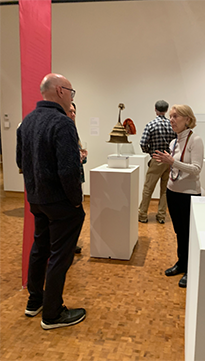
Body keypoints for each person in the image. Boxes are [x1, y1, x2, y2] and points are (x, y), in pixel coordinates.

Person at [17, 73, 87, 330]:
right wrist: (76, 201)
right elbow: (68, 170)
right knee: (60, 256)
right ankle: (52, 313)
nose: (71, 96)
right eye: (71, 91)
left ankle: (34, 300)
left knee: (40, 249)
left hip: (37, 199)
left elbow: (20, 162)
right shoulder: (62, 123)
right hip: (60, 202)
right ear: (60, 91)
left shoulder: (27, 122)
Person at [152, 104, 204, 289]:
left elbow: (196, 169)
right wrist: (168, 162)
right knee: (179, 232)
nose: (171, 120)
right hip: (172, 193)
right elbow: (176, 168)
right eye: (171, 116)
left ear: (187, 119)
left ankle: (190, 268)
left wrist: (172, 161)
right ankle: (181, 263)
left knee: (189, 234)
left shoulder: (195, 140)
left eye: (176, 116)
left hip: (189, 195)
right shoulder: (173, 142)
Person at [138, 100, 176, 224]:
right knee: (165, 189)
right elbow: (176, 143)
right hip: (169, 160)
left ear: (155, 109)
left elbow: (143, 143)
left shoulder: (151, 125)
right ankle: (161, 215)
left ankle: (143, 214)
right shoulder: (172, 125)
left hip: (157, 158)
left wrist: (151, 152)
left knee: (148, 188)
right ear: (166, 110)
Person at [69, 102, 87, 255]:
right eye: (70, 111)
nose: (73, 114)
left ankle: (71, 243)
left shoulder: (73, 131)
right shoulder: (64, 131)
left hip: (76, 177)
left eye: (74, 112)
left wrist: (82, 156)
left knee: (76, 215)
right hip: (68, 180)